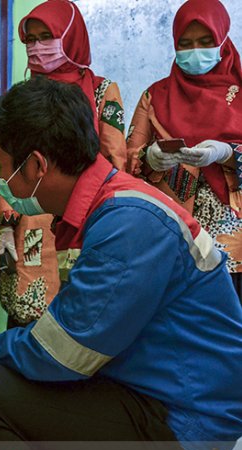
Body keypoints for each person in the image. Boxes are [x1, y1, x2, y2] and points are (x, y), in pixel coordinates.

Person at [0, 76, 242, 450]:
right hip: (163, 402)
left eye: (2, 169)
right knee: (11, 384)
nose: (3, 185)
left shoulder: (128, 222)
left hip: (185, 439)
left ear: (36, 164)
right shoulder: (115, 205)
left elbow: (65, 352)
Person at [0, 0, 127, 329]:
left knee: (79, 316)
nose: (38, 47)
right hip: (30, 221)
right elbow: (7, 165)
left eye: (47, 36)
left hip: (85, 220)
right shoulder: (20, 96)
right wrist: (4, 224)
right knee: (25, 317)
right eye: (31, 39)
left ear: (71, 37)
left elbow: (114, 161)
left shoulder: (101, 92)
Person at [127, 0, 242, 302]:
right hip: (169, 232)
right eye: (185, 43)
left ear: (223, 40)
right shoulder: (155, 95)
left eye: (205, 42)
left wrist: (227, 153)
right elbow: (128, 160)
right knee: (180, 329)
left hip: (234, 242)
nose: (195, 51)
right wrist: (150, 158)